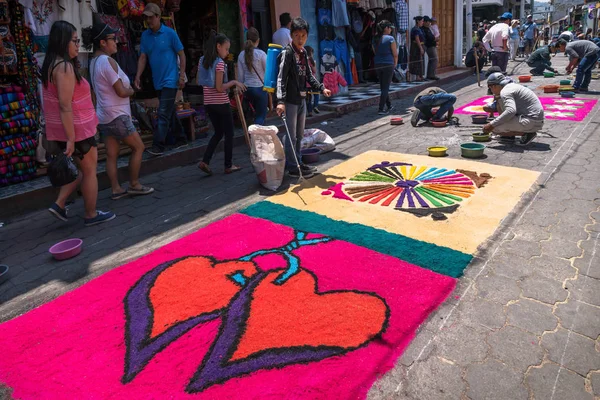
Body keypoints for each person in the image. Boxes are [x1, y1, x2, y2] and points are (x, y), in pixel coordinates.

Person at [42, 21, 115, 226]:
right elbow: (65, 106)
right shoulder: (63, 67)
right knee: (89, 170)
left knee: (81, 169)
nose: (77, 45)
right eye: (74, 41)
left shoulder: (51, 63)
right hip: (77, 129)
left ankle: (60, 203)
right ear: (63, 41)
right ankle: (91, 214)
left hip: (67, 129)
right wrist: (71, 139)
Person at [84, 23, 154, 200]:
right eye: (113, 39)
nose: (116, 42)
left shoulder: (93, 62)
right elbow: (121, 91)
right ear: (102, 42)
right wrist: (132, 92)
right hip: (117, 115)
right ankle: (134, 184)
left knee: (112, 154)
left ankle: (116, 189)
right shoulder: (107, 62)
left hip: (104, 114)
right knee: (139, 147)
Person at [276, 17, 332, 179]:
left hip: (302, 99)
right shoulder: (287, 54)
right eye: (297, 35)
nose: (300, 39)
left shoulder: (304, 53)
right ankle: (293, 167)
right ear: (291, 35)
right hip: (290, 101)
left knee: (300, 135)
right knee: (291, 136)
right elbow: (281, 78)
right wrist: (280, 101)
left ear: (307, 36)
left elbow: (308, 75)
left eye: (303, 35)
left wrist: (322, 88)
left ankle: (298, 162)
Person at [134, 3, 187, 156]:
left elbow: (182, 55)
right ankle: (181, 138)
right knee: (168, 111)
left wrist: (181, 75)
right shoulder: (145, 36)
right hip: (157, 80)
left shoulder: (170, 34)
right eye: (146, 18)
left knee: (163, 112)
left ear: (158, 17)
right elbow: (143, 57)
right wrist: (137, 75)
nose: (148, 21)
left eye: (151, 17)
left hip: (171, 79)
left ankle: (158, 145)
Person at [197, 33, 246, 175]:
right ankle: (228, 165)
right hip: (221, 103)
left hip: (208, 102)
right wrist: (234, 82)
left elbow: (200, 81)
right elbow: (219, 87)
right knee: (229, 133)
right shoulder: (219, 63)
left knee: (218, 132)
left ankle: (205, 161)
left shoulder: (202, 61)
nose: (227, 52)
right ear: (218, 46)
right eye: (226, 49)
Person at [482, 72, 544, 146]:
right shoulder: (511, 86)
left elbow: (511, 111)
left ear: (494, 86)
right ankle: (509, 135)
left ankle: (527, 133)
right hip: (536, 120)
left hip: (531, 121)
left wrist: (491, 124)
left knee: (494, 128)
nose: (491, 91)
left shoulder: (505, 92)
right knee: (500, 109)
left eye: (490, 88)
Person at [237, 27, 268, 125]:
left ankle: (253, 136)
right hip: (260, 89)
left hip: (247, 90)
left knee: (251, 116)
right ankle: (255, 138)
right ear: (258, 40)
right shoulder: (261, 54)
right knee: (260, 116)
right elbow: (267, 73)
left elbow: (240, 77)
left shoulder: (241, 55)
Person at [372, 20, 398, 115]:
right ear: (386, 28)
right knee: (386, 87)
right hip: (388, 64)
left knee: (383, 86)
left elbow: (375, 51)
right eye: (390, 28)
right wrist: (395, 64)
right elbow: (395, 54)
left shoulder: (375, 38)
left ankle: (389, 105)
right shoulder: (390, 39)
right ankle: (381, 108)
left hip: (378, 64)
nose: (391, 29)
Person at [305, 46, 320, 117]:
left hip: (306, 83)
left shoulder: (302, 60)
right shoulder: (311, 60)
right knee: (316, 94)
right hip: (312, 82)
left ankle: (310, 112)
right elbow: (314, 71)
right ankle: (315, 106)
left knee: (308, 98)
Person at [423, 16, 439, 80]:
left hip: (432, 45)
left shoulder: (428, 28)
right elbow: (430, 38)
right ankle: (431, 75)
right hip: (429, 46)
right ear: (425, 22)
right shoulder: (424, 29)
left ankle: (430, 75)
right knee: (435, 59)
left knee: (432, 60)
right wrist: (435, 38)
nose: (430, 23)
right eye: (428, 21)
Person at [409, 16, 425, 82]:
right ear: (418, 21)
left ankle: (420, 76)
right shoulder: (415, 29)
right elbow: (417, 39)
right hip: (416, 47)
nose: (422, 22)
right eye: (422, 21)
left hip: (419, 45)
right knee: (417, 60)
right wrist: (421, 48)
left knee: (420, 61)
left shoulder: (419, 29)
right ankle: (417, 77)